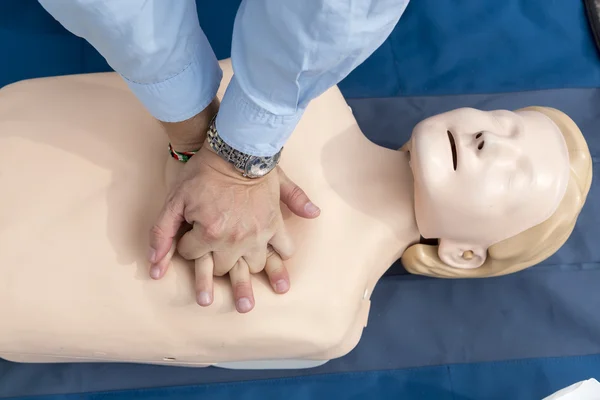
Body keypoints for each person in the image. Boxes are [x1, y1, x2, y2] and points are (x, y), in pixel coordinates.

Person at [0, 63, 591, 366]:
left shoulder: (328, 320)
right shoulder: (311, 95)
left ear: (464, 253)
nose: (493, 142)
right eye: (505, 123)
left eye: (514, 175)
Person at [37, 0, 411, 313]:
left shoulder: (333, 313)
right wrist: (230, 162)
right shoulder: (327, 104)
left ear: (463, 256)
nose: (474, 131)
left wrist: (209, 145)